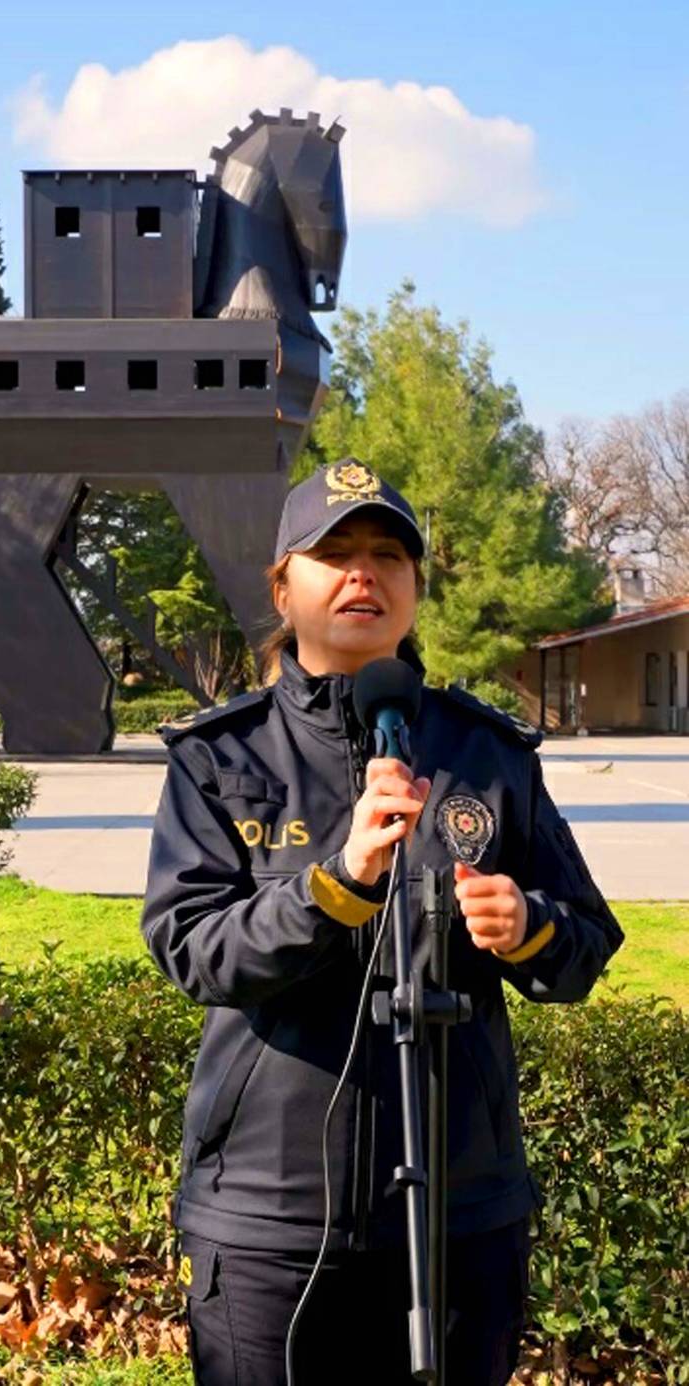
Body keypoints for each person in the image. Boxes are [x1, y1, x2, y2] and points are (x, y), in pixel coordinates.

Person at [140, 459, 623, 1386]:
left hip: (461, 1208)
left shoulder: (487, 752)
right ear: (285, 584)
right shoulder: (221, 756)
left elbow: (586, 945)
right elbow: (193, 947)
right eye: (336, 553)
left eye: (388, 555)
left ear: (416, 587)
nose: (364, 574)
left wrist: (531, 928)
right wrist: (339, 881)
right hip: (269, 1221)